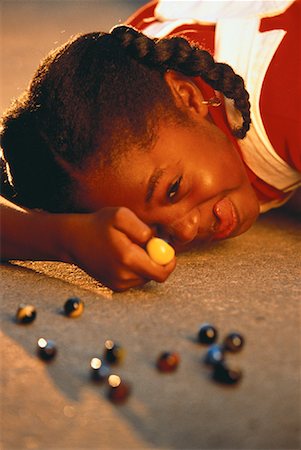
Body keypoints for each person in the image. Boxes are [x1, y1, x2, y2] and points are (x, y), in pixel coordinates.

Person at [0, 0, 300, 291]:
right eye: (155, 231)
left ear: (188, 97)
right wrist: (67, 239)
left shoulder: (284, 98)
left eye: (173, 188)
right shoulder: (125, 82)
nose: (184, 230)